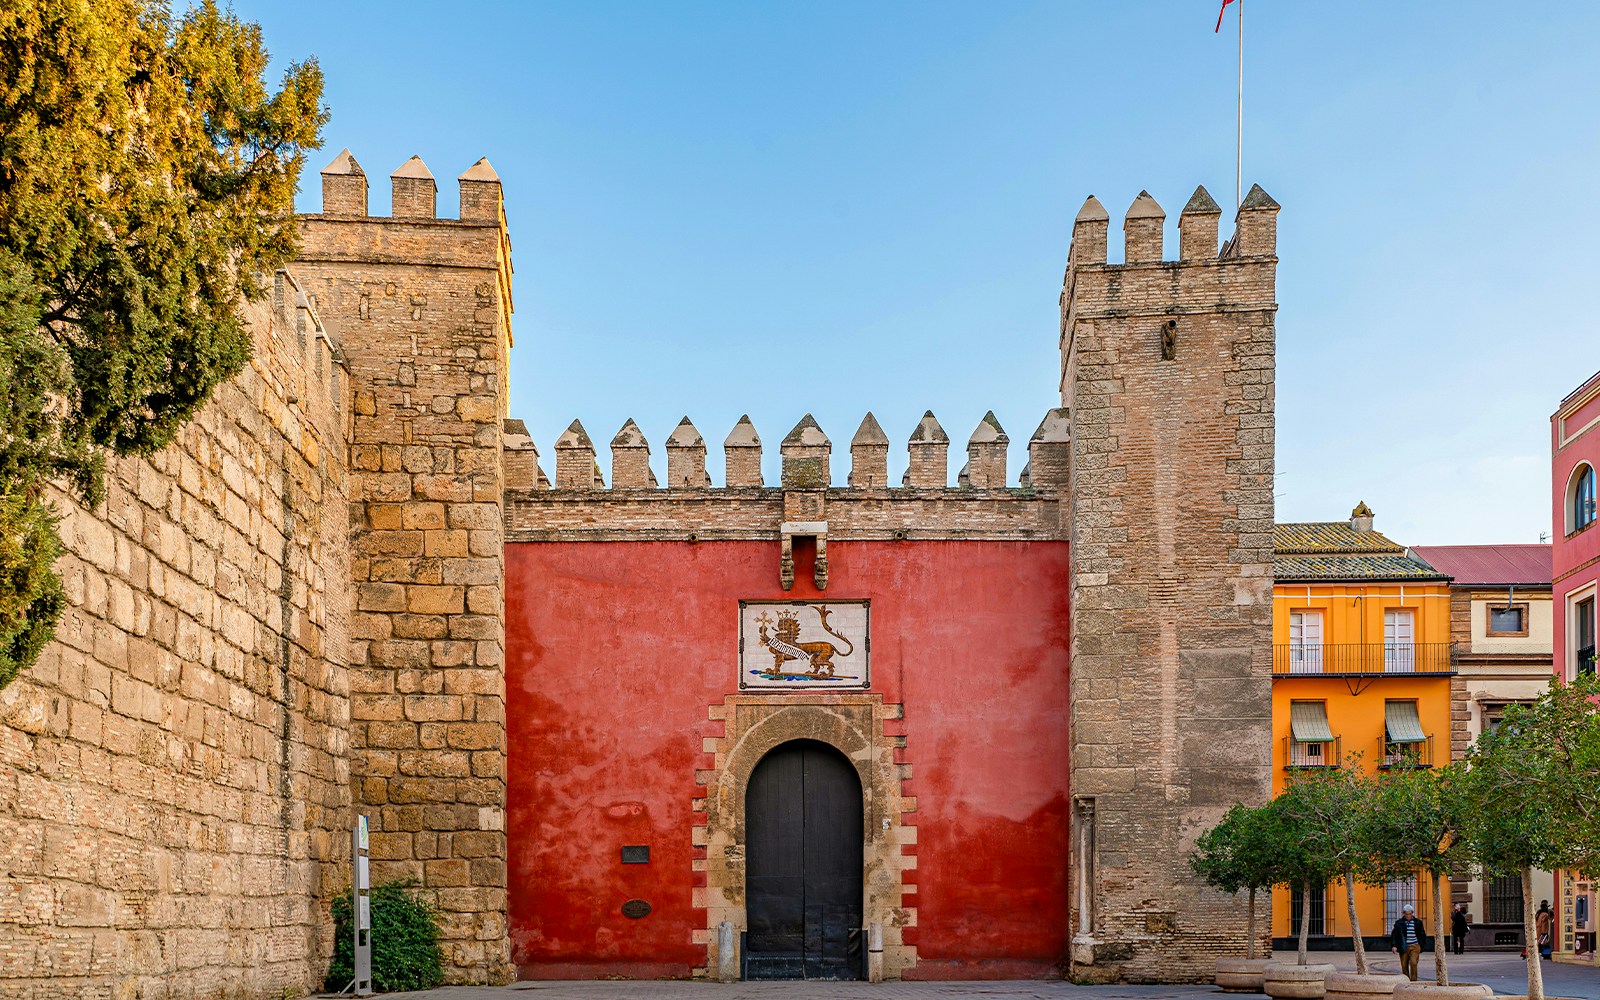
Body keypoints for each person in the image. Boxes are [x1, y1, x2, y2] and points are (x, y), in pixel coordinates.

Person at [1391, 903, 1426, 981]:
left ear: (1412, 913)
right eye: (1406, 914)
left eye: (1410, 914)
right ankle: (1406, 981)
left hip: (1415, 946)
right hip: (1404, 946)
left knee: (1413, 963)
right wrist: (1394, 945)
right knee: (1404, 965)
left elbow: (1422, 934)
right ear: (1404, 914)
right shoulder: (1399, 923)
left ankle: (1413, 981)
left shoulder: (1418, 922)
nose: (1408, 916)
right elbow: (1394, 935)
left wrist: (1421, 945)